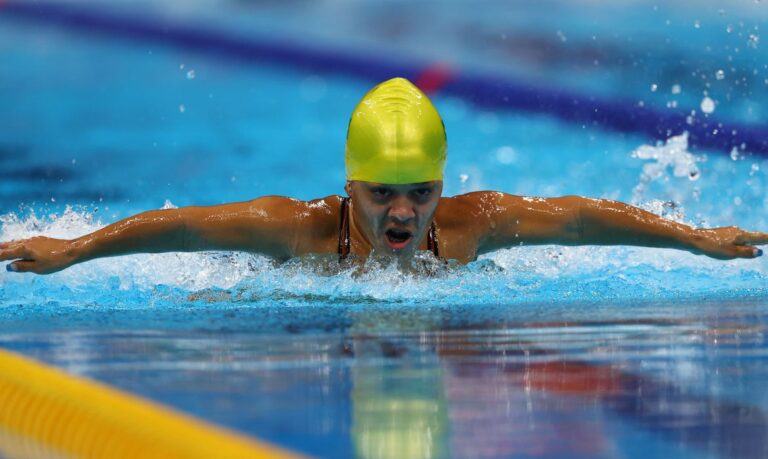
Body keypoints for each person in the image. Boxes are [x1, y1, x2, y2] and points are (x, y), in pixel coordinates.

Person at [1, 77, 765, 275]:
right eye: (382, 193)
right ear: (349, 188)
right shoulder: (297, 229)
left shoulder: (469, 226)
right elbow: (183, 226)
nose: (404, 213)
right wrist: (75, 248)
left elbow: (578, 217)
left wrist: (697, 239)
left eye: (421, 193)